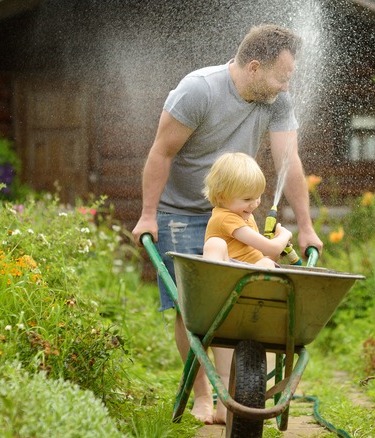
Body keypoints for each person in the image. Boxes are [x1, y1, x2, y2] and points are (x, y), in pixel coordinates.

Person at [131, 24, 323, 425]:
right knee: (193, 309)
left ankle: (235, 391)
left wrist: (305, 226)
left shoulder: (276, 100)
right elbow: (161, 153)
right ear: (254, 68)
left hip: (236, 213)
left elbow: (291, 164)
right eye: (281, 77)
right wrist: (149, 214)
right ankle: (203, 396)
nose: (286, 87)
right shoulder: (198, 90)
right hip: (181, 210)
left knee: (244, 298)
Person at [202, 152, 293, 268]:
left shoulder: (247, 218)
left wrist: (277, 252)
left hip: (249, 275)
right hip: (232, 274)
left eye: (258, 196)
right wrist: (284, 235)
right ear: (221, 196)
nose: (254, 204)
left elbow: (263, 255)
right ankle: (212, 279)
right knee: (215, 244)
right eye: (247, 199)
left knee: (266, 262)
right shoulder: (225, 218)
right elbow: (272, 248)